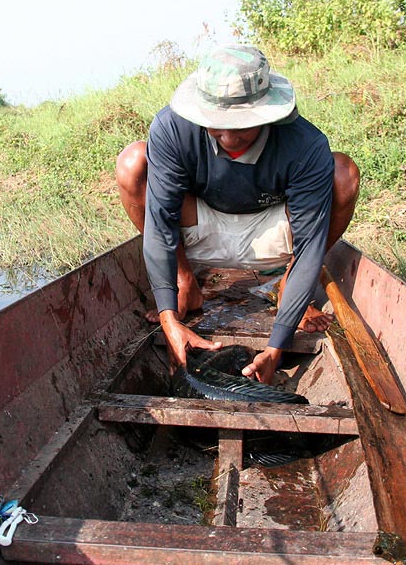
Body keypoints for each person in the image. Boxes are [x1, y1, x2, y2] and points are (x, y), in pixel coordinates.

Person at [116, 44, 360, 384]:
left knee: (343, 173)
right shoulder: (172, 128)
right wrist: (169, 320)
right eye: (216, 126)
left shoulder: (304, 144)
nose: (229, 137)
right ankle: (186, 282)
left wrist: (277, 347)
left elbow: (309, 247)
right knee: (133, 163)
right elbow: (159, 226)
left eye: (242, 126)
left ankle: (290, 288)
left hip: (271, 231)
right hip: (200, 225)